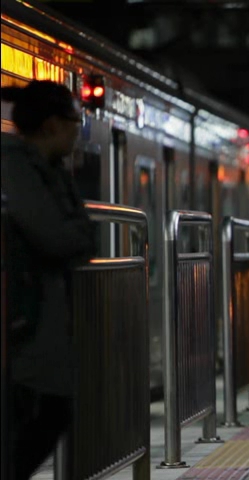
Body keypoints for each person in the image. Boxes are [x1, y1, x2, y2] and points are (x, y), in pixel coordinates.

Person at [1, 80, 97, 479]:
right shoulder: (16, 168)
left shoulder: (49, 170)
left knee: (48, 413)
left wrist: (76, 237)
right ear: (52, 125)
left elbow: (81, 238)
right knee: (42, 415)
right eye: (75, 122)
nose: (78, 131)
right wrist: (74, 237)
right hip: (21, 324)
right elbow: (58, 237)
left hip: (35, 322)